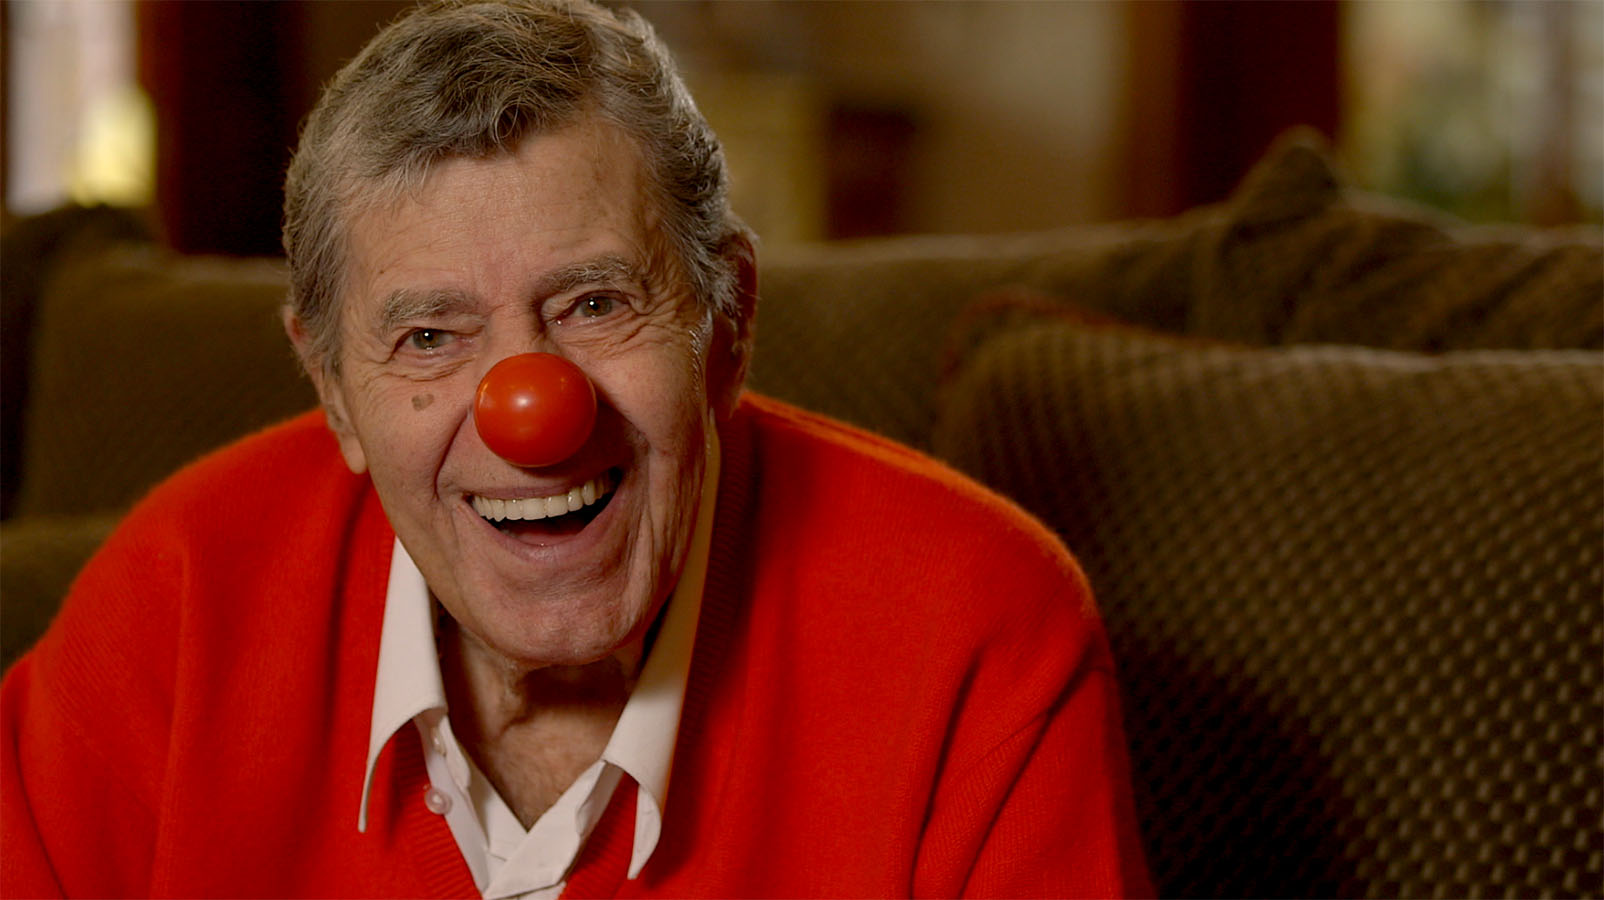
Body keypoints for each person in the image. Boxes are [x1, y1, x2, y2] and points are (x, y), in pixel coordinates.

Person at [0, 1, 1151, 896]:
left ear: (728, 325)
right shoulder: (173, 599)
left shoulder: (979, 638)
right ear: (334, 392)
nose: (529, 411)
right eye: (429, 335)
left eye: (594, 304)